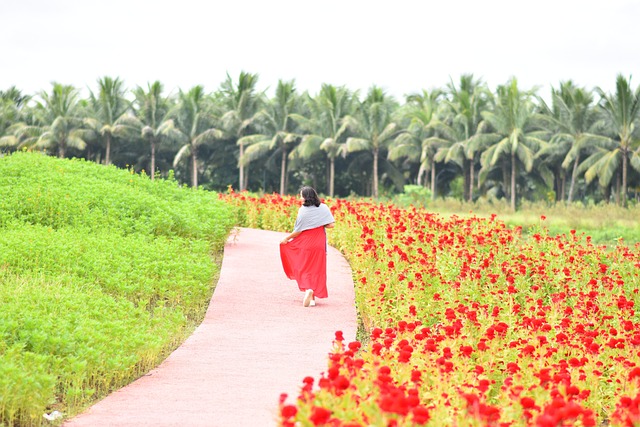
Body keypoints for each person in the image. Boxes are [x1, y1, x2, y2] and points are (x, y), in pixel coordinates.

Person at [279, 186, 335, 307]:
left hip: (305, 243)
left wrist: (286, 238)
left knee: (303, 267)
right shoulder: (323, 207)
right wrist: (319, 223)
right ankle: (313, 299)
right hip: (319, 243)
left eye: (301, 196)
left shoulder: (303, 211)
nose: (300, 198)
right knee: (316, 268)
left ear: (305, 197)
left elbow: (298, 231)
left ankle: (308, 289)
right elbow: (331, 225)